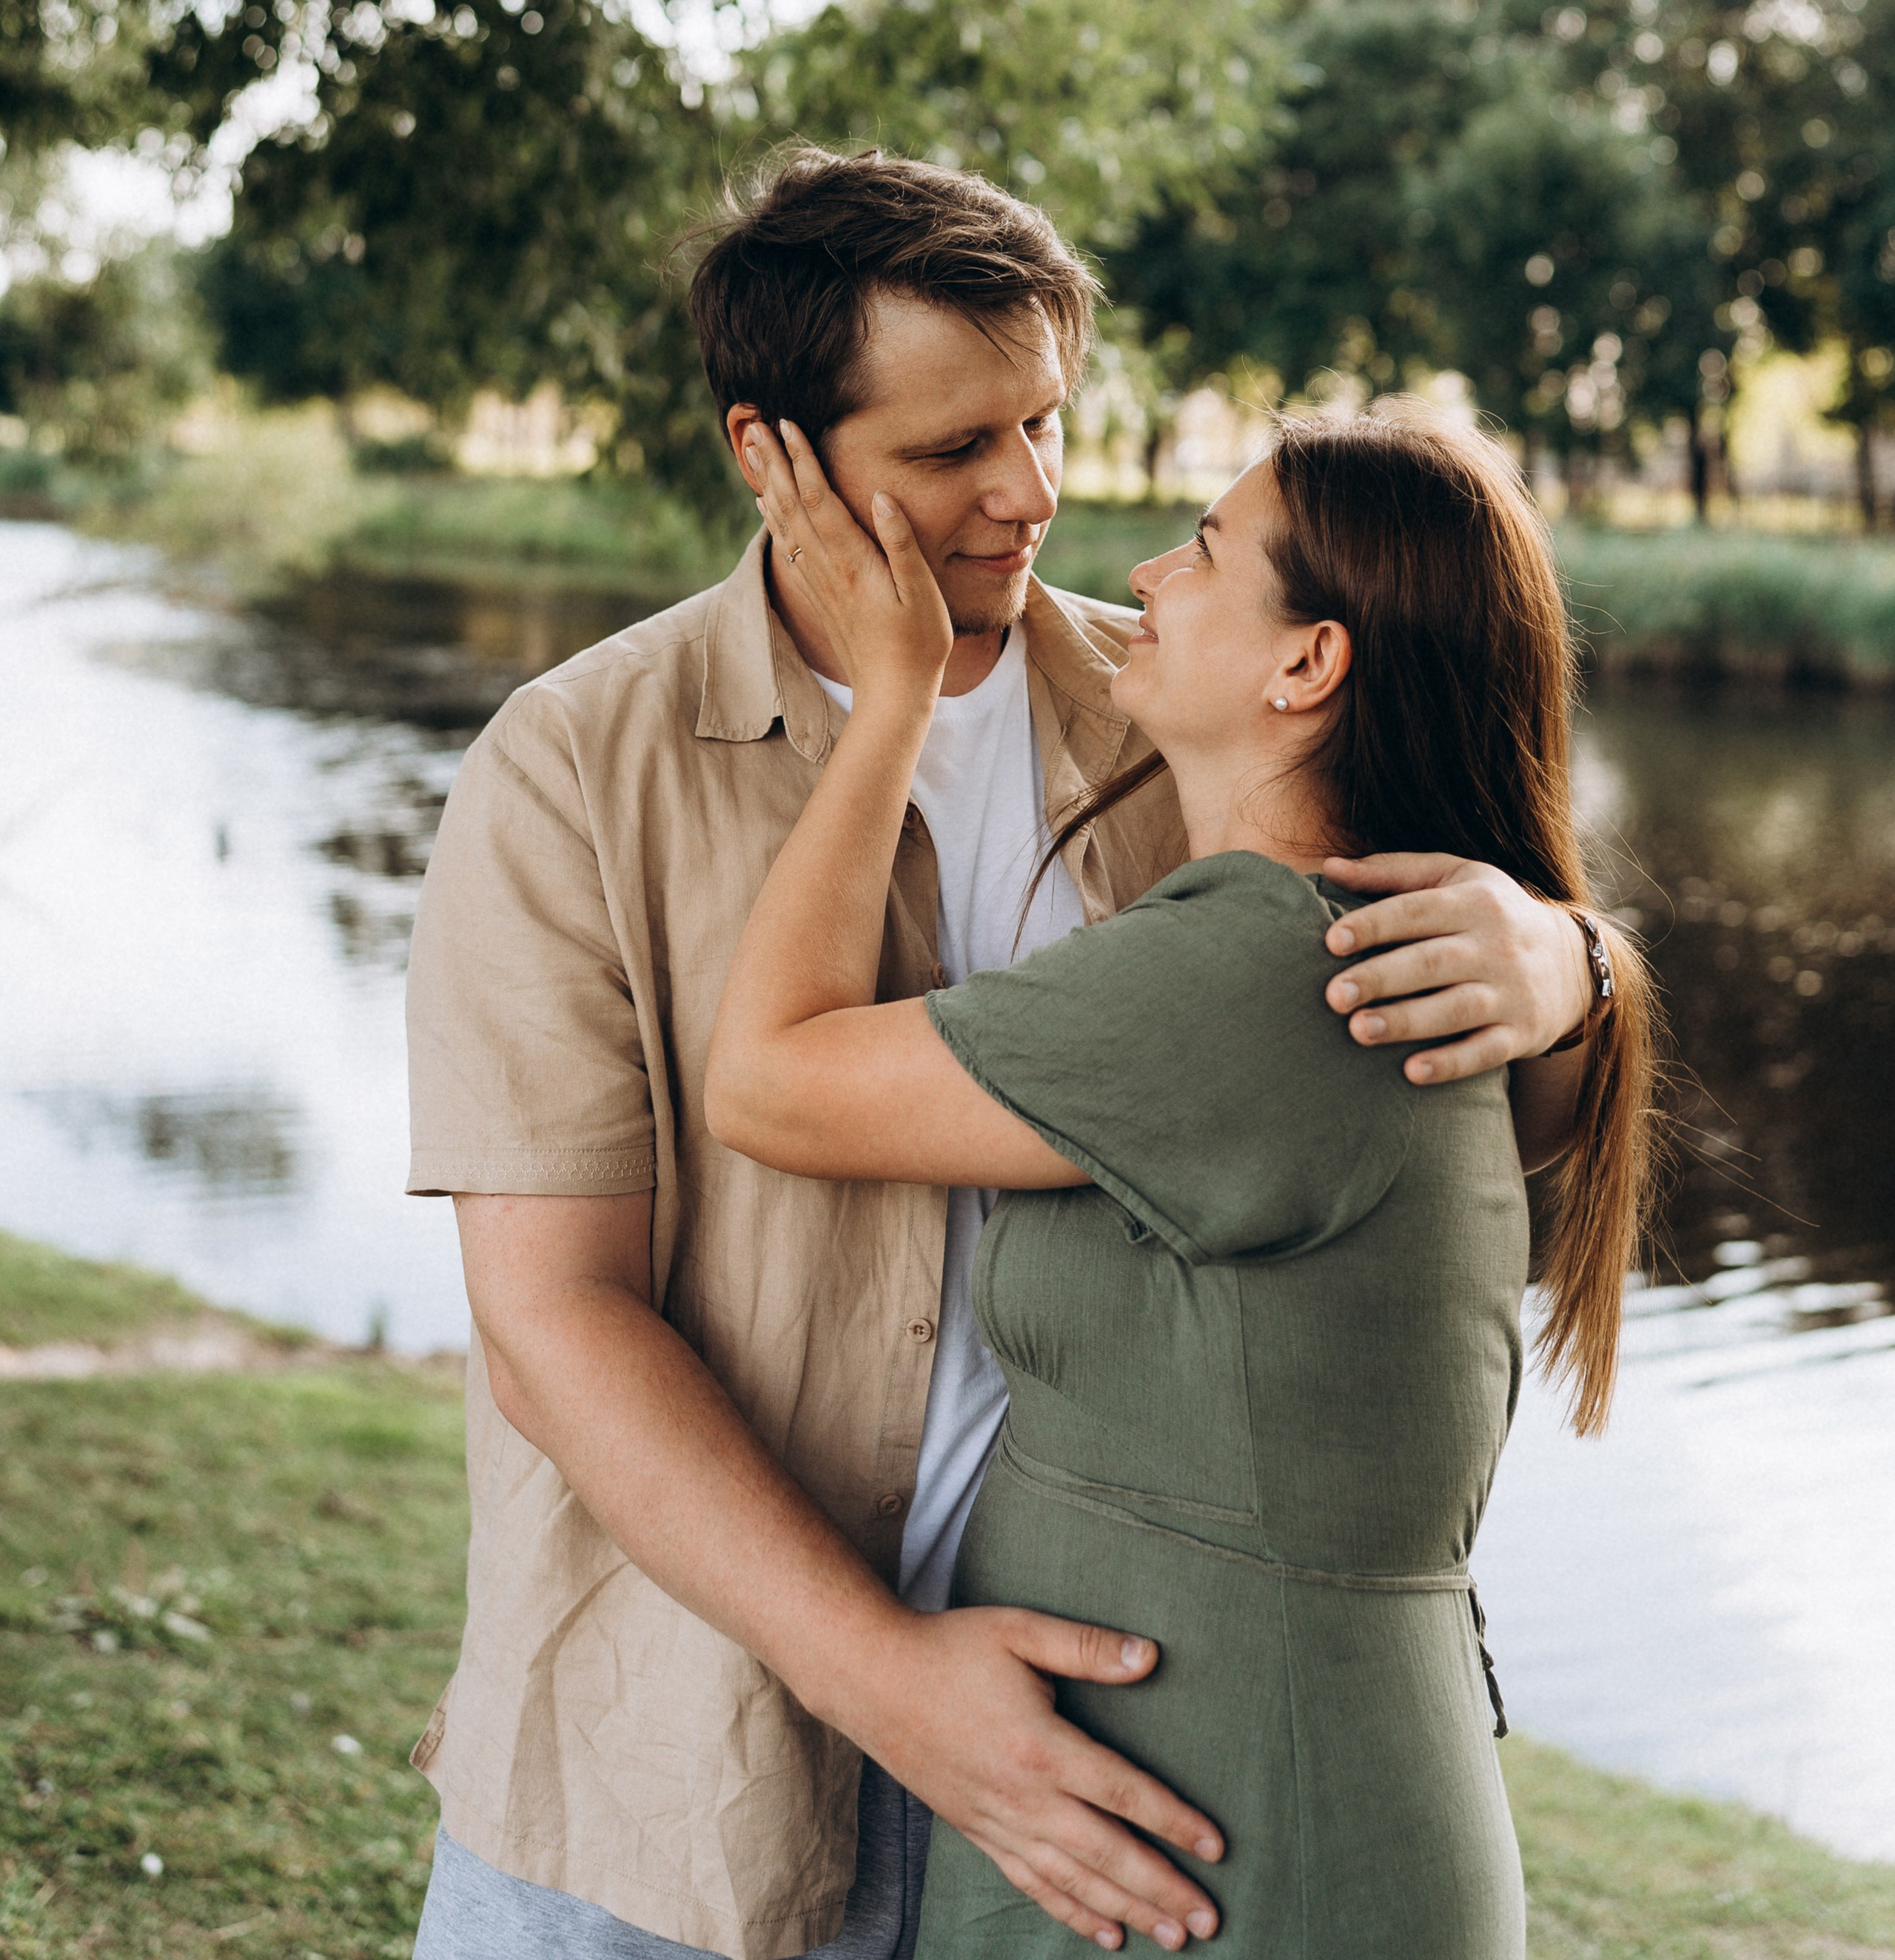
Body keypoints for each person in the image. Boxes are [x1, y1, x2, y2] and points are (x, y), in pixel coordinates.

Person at [405, 150, 1615, 1960]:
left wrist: (1571, 959)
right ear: (773, 454)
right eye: (951, 450)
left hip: (1102, 1767)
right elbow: (553, 1319)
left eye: (1043, 425)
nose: (1029, 495)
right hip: (672, 1761)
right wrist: (880, 1675)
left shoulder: (1179, 714)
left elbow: (1392, 1092)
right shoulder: (571, 770)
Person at [706, 397, 1657, 1959]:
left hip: (1240, 1832)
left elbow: (767, 1080)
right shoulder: (1333, 947)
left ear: (1307, 665)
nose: (1145, 571)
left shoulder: (1258, 969)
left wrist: (886, 704)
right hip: (1216, 1801)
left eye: (1206, 551)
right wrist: (1583, 958)